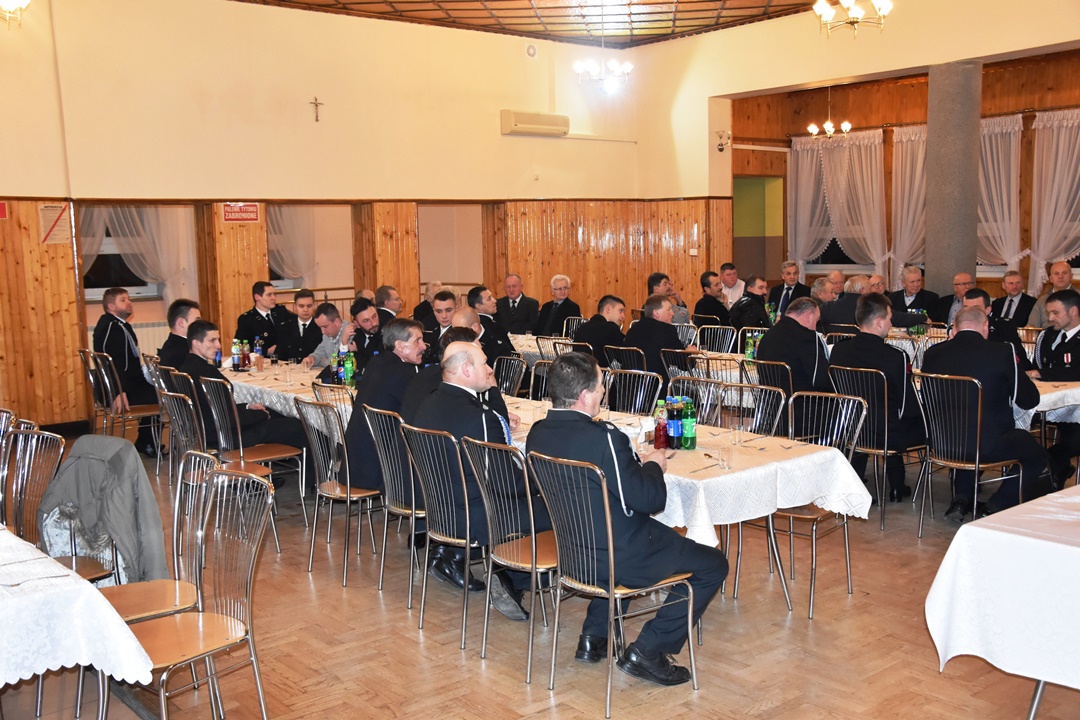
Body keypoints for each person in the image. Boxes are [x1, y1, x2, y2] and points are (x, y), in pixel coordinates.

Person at [526, 352, 727, 686]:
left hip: (573, 553)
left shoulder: (537, 433)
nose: (604, 391)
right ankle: (649, 650)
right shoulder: (604, 437)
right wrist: (654, 465)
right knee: (713, 563)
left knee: (624, 532)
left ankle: (594, 637)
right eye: (600, 387)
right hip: (618, 557)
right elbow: (650, 500)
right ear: (585, 396)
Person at [413, 341, 543, 620]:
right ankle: (513, 579)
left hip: (438, 512)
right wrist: (540, 483)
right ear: (466, 369)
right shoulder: (480, 417)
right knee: (562, 511)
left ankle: (495, 568)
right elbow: (505, 483)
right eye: (484, 363)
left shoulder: (428, 403)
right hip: (477, 516)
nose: (490, 369)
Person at [921, 306, 1050, 521]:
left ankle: (961, 499)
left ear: (954, 328)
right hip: (987, 445)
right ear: (986, 327)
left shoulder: (932, 353)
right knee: (1037, 455)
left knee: (966, 429)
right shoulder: (1002, 352)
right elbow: (1029, 400)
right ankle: (996, 505)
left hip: (941, 442)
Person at [179, 320, 309, 481]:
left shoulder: (185, 369)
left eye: (218, 340)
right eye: (212, 340)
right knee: (300, 425)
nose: (218, 345)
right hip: (225, 436)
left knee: (275, 413)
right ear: (196, 343)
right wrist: (261, 415)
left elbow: (217, 408)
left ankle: (265, 472)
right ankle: (312, 480)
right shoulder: (207, 374)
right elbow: (226, 417)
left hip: (205, 431)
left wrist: (248, 406)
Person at [829, 293, 925, 501]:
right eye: (890, 318)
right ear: (879, 322)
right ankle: (897, 486)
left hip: (851, 427)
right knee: (909, 420)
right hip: (887, 432)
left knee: (880, 418)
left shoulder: (839, 350)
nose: (891, 323)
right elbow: (905, 406)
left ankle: (856, 481)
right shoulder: (895, 356)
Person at [344, 318, 426, 491]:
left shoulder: (377, 362)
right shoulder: (402, 373)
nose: (423, 346)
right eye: (417, 341)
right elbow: (421, 412)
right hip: (379, 469)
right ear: (400, 346)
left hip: (355, 464)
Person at [92, 287, 161, 457]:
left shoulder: (117, 325)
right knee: (165, 396)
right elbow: (112, 363)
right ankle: (148, 442)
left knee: (159, 391)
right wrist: (118, 391)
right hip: (120, 390)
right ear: (111, 306)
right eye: (123, 300)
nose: (129, 302)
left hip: (128, 385)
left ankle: (145, 441)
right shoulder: (112, 328)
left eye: (129, 298)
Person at [1030, 289, 1080, 483]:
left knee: (1074, 441)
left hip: (1075, 405)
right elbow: (1036, 364)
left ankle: (1048, 469)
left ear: (1073, 311)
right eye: (1049, 312)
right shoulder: (1048, 335)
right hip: (1048, 400)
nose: (1050, 318)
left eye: (1055, 313)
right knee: (1011, 425)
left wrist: (1043, 374)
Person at [755, 297, 830, 393]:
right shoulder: (807, 337)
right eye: (816, 321)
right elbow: (821, 380)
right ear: (808, 315)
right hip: (799, 399)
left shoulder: (768, 335)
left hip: (769, 398)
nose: (815, 327)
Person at [623, 294, 696, 383]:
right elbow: (684, 364)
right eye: (669, 309)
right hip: (655, 385)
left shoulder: (633, 329)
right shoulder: (666, 330)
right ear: (656, 313)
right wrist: (691, 354)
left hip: (628, 385)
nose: (672, 314)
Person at [963, 288, 1030, 371]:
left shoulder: (1004, 327)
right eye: (966, 308)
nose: (970, 313)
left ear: (988, 310)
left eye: (976, 308)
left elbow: (1020, 360)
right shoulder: (957, 329)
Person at [234, 281, 295, 354]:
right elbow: (241, 347)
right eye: (269, 295)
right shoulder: (247, 319)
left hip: (284, 357)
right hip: (262, 359)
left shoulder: (280, 311)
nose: (273, 298)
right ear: (257, 297)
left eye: (274, 294)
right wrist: (266, 351)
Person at [573, 294, 626, 366]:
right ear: (608, 309)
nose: (623, 317)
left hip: (578, 370)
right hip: (598, 371)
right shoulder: (610, 328)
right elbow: (624, 356)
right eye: (620, 311)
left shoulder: (582, 327)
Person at [275, 288, 322, 362]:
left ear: (314, 306)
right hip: (290, 367)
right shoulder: (285, 328)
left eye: (309, 306)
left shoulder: (321, 327)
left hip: (313, 367)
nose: (305, 310)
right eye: (301, 306)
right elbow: (279, 356)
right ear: (295, 307)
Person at [303, 303, 352, 370]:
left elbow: (339, 361)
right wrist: (312, 358)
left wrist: (324, 362)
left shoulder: (350, 333)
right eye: (320, 327)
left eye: (325, 327)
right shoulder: (327, 334)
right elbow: (321, 350)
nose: (322, 331)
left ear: (337, 322)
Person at [1029, 261, 1075, 329]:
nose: (1060, 276)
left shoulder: (1078, 298)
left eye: (1064, 273)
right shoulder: (1042, 301)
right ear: (1051, 278)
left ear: (1071, 276)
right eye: (1056, 273)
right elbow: (1032, 327)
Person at [157, 298, 201, 369]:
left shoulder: (171, 345)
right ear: (181, 323)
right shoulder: (186, 352)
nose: (200, 325)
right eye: (196, 321)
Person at [421, 289, 458, 363]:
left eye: (448, 310)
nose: (444, 316)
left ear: (456, 308)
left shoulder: (460, 334)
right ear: (433, 311)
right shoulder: (430, 329)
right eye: (439, 311)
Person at [348, 296, 383, 372]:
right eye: (366, 321)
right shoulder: (356, 334)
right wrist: (344, 341)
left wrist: (355, 353)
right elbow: (341, 364)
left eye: (374, 316)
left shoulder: (385, 334)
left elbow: (372, 365)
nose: (373, 323)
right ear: (357, 324)